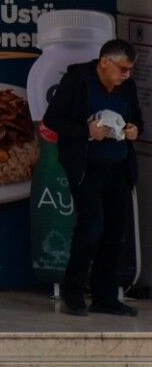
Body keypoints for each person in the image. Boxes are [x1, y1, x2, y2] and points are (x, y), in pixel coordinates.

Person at [44, 36, 144, 317]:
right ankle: (73, 292)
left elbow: (137, 118)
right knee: (91, 227)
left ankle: (105, 296)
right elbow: (53, 120)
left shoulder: (127, 87)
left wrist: (136, 129)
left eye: (130, 70)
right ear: (104, 62)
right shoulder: (78, 80)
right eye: (122, 69)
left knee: (115, 231)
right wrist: (86, 131)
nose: (126, 75)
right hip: (86, 165)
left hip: (119, 166)